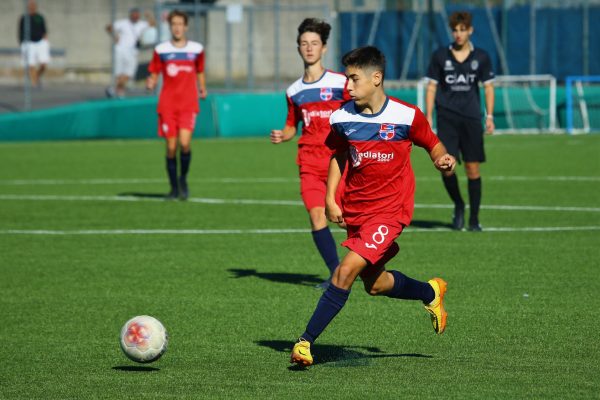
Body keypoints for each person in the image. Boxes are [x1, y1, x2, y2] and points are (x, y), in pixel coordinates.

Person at [290, 46, 455, 367]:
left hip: (391, 213)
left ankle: (305, 342)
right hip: (356, 211)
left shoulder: (407, 115)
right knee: (376, 285)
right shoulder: (341, 117)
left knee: (345, 270)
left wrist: (442, 159)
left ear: (375, 78)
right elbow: (337, 155)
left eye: (354, 79)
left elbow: (433, 144)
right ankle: (429, 292)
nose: (348, 86)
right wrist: (329, 197)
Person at [270, 18, 351, 289]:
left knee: (344, 218)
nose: (309, 48)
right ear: (298, 48)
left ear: (324, 48)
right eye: (304, 43)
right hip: (308, 161)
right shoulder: (294, 91)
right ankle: (335, 273)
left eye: (314, 43)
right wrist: (284, 134)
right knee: (317, 216)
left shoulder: (341, 83)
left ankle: (369, 265)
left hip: (338, 162)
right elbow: (292, 124)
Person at [425, 11, 495, 232]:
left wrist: (489, 116)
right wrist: (428, 117)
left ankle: (474, 219)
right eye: (455, 30)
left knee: (473, 169)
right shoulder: (439, 56)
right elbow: (431, 87)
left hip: (472, 119)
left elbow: (488, 87)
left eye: (462, 30)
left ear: (470, 31)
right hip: (447, 118)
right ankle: (458, 204)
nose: (458, 34)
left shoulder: (481, 57)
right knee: (446, 167)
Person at [146, 9, 207, 200]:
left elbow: (200, 71)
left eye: (180, 24)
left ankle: (183, 179)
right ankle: (173, 188)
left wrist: (202, 88)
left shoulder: (196, 49)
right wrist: (151, 82)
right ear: (170, 27)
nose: (177, 28)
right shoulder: (161, 50)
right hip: (167, 105)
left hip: (188, 104)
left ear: (186, 26)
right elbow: (154, 72)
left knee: (185, 143)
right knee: (171, 147)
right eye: (174, 24)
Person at [105, 7, 150, 98]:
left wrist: (149, 16)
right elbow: (109, 27)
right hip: (120, 50)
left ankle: (113, 89)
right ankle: (120, 93)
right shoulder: (123, 23)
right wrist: (115, 36)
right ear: (130, 15)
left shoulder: (142, 24)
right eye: (133, 14)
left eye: (137, 14)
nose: (135, 16)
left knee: (129, 74)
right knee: (119, 73)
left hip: (133, 52)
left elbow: (153, 25)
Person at [18, 0, 50, 88]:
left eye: (33, 6)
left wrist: (45, 40)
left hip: (39, 42)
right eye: (30, 6)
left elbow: (44, 30)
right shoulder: (24, 18)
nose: (31, 7)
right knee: (31, 64)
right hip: (29, 43)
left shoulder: (39, 17)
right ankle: (34, 82)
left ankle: (36, 77)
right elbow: (20, 31)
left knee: (44, 63)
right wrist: (22, 43)